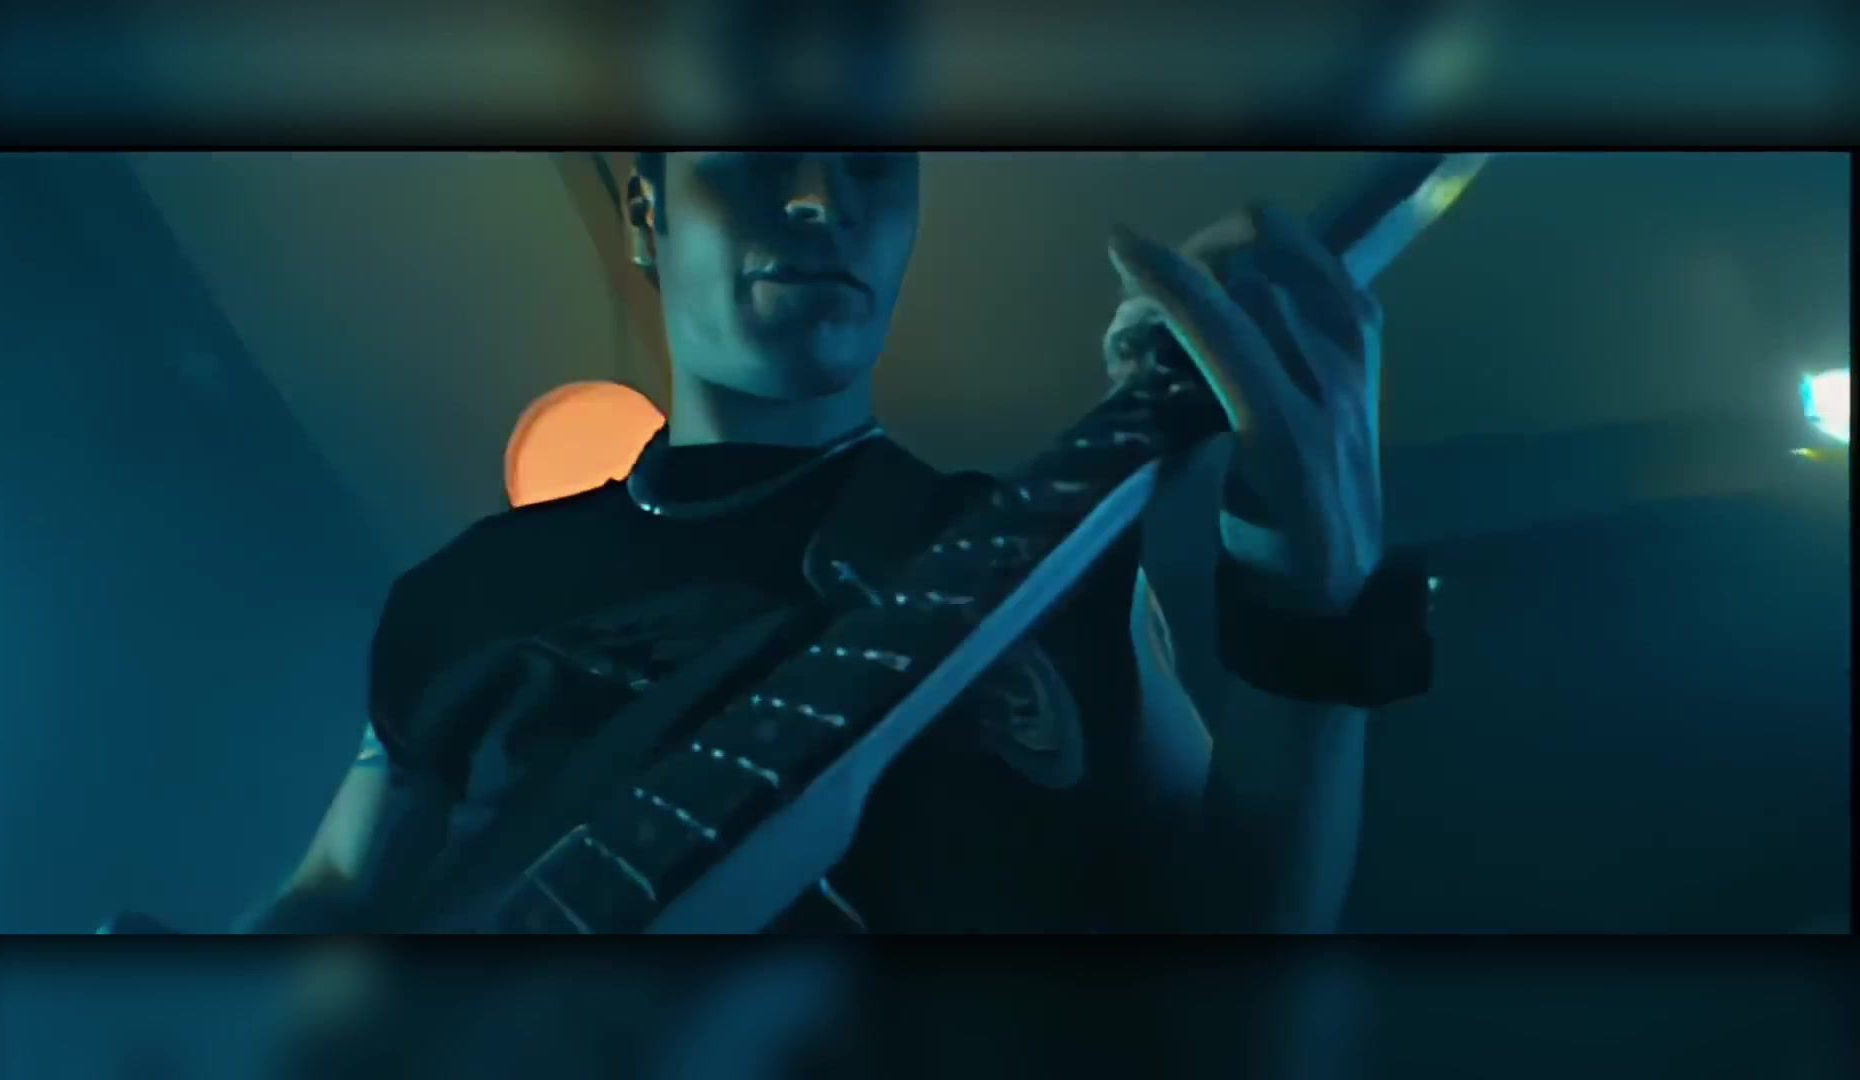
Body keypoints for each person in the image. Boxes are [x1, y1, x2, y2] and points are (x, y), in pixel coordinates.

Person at [241, 151, 1424, 934]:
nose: (819, 195)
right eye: (755, 148)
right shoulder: (465, 592)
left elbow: (1240, 961)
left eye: (872, 158)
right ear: (647, 213)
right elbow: (331, 901)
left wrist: (1314, 608)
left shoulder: (1060, 562)